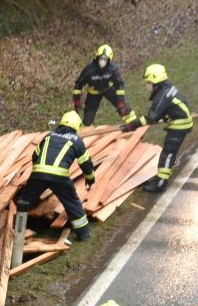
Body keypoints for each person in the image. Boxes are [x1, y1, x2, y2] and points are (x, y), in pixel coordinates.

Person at [15, 110, 98, 243]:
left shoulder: (49, 136)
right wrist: (90, 179)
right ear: (77, 126)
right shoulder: (76, 141)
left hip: (38, 173)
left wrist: (39, 172)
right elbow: (86, 164)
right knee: (72, 203)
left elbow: (35, 156)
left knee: (24, 201)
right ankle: (83, 234)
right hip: (60, 177)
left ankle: (18, 228)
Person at [135, 63, 195, 192]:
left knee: (168, 154)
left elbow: (151, 117)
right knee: (168, 153)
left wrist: (133, 124)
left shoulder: (162, 95)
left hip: (180, 124)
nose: (147, 86)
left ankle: (160, 183)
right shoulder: (165, 88)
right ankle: (160, 179)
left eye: (149, 83)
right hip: (178, 120)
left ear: (156, 81)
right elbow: (165, 111)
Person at [72, 44, 141, 131]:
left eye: (105, 59)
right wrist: (77, 99)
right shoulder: (89, 70)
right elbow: (79, 84)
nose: (102, 62)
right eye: (101, 59)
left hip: (109, 88)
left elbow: (119, 84)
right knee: (88, 116)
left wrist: (120, 101)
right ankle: (87, 131)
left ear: (109, 60)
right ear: (97, 58)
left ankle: (134, 125)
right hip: (94, 92)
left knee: (124, 107)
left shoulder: (112, 69)